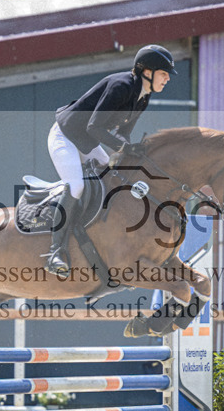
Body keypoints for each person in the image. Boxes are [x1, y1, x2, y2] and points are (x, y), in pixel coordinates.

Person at [44, 44, 177, 276]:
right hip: (65, 137)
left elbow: (122, 133)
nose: (167, 79)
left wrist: (129, 150)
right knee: (76, 186)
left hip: (87, 141)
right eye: (164, 74)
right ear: (147, 71)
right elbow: (93, 126)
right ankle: (55, 251)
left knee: (114, 180)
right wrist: (122, 146)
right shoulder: (121, 86)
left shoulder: (143, 97)